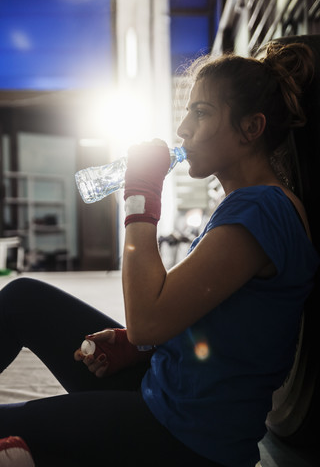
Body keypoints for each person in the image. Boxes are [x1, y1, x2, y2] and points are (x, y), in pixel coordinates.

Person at [0, 42, 319, 467]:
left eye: (201, 113)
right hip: (168, 390)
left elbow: (147, 319)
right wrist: (140, 349)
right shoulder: (252, 205)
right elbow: (224, 323)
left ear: (251, 128)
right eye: (187, 112)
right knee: (23, 299)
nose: (183, 128)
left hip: (187, 438)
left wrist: (141, 197)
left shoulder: (262, 210)